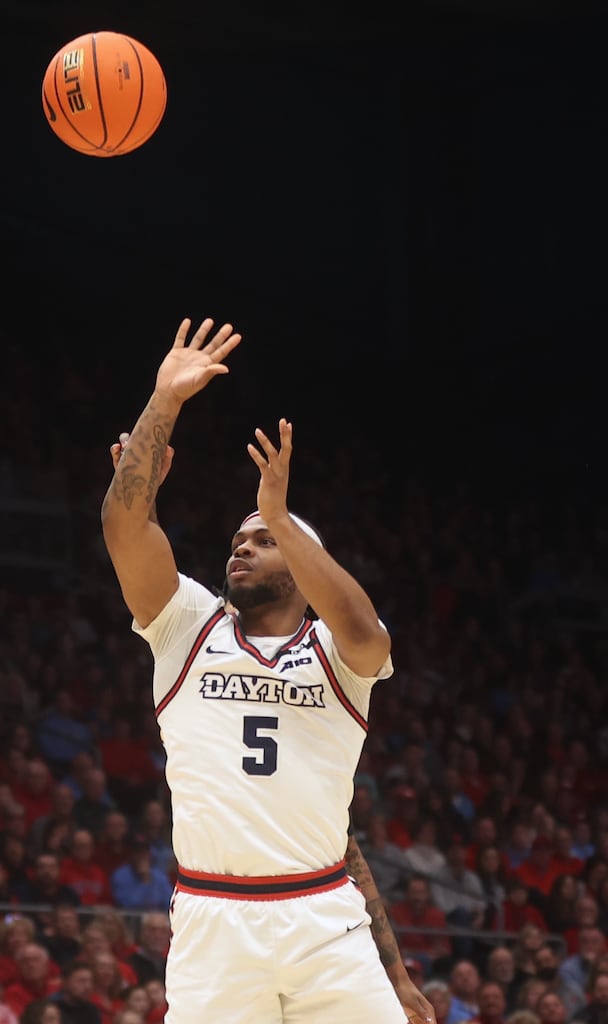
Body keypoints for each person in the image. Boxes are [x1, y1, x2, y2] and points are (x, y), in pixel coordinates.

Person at [100, 317, 431, 1024]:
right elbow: (125, 529)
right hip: (215, 920)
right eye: (237, 541)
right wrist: (163, 403)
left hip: (325, 915)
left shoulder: (339, 656)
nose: (241, 549)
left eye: (265, 540)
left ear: (302, 558)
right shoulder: (187, 624)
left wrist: (397, 976)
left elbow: (364, 630)